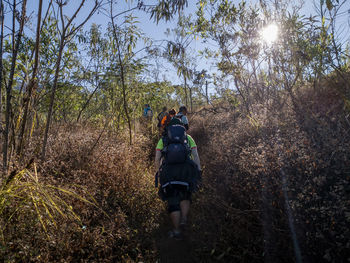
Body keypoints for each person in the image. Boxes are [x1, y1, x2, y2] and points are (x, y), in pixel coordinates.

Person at [155, 122, 201, 240]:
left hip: (168, 172)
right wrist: (198, 171)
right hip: (186, 171)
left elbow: (157, 158)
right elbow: (195, 155)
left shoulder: (163, 139)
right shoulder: (188, 138)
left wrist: (158, 173)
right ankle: (184, 220)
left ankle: (176, 231)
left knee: (172, 201)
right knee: (185, 195)